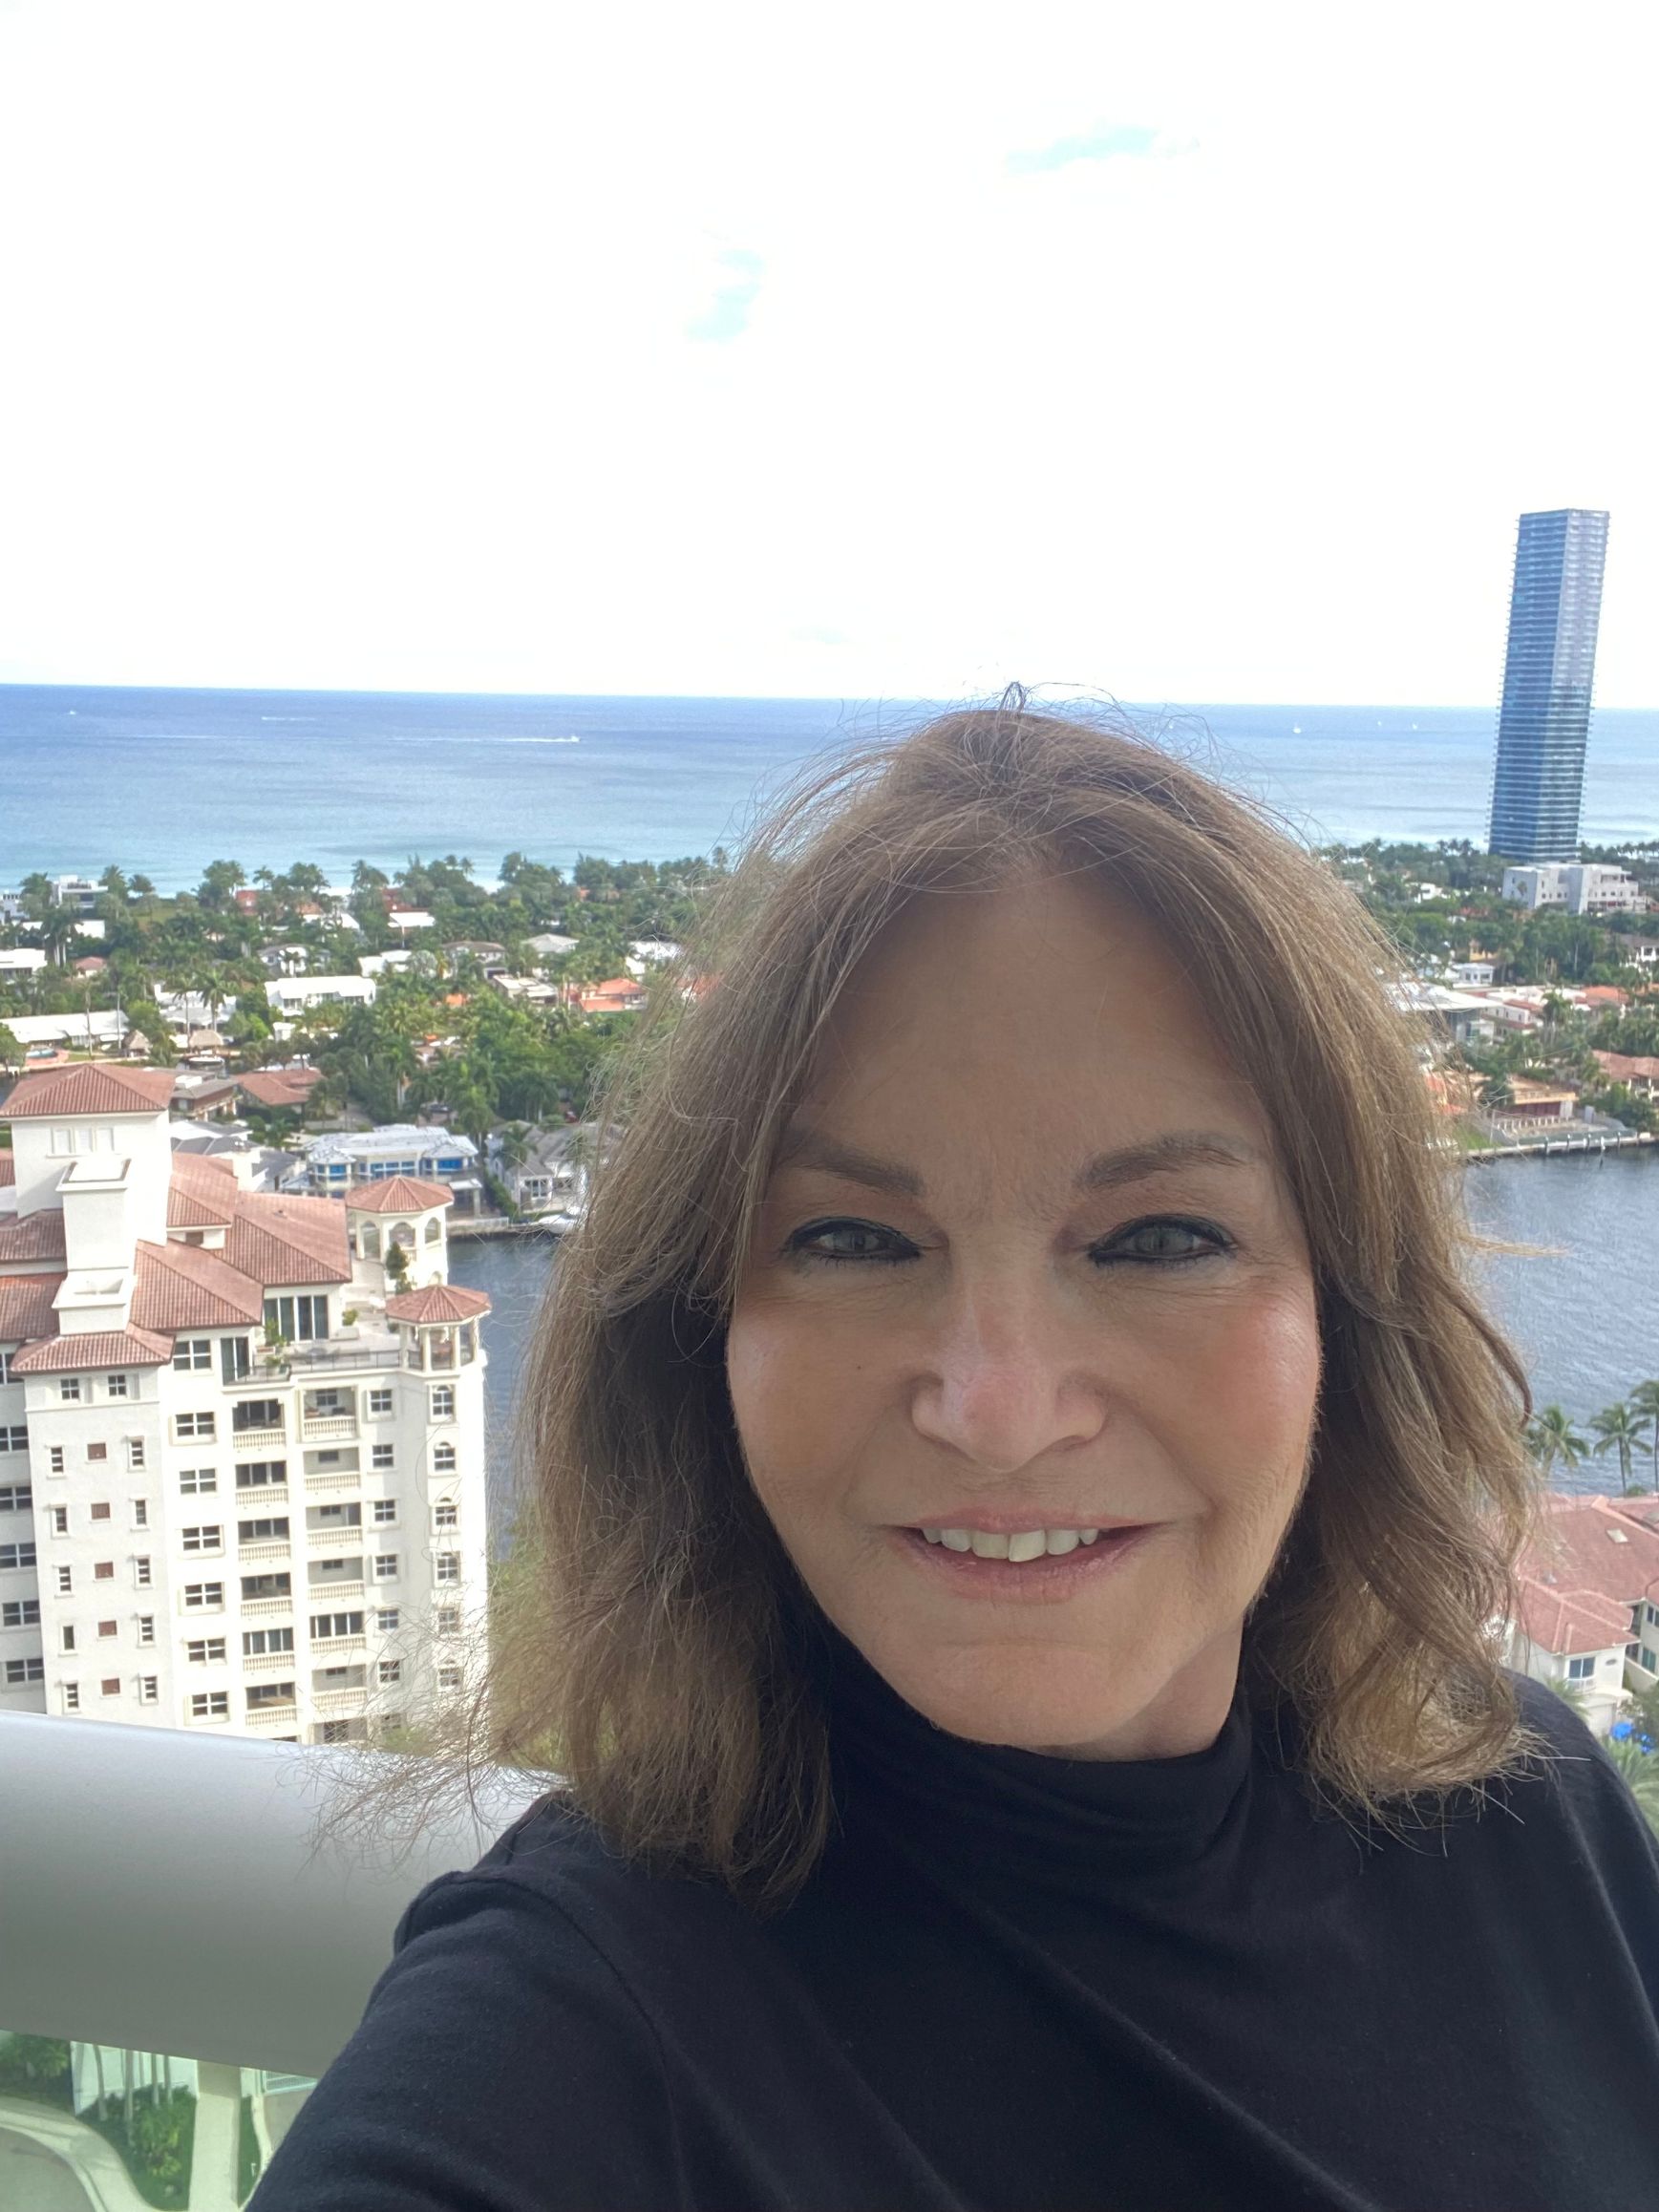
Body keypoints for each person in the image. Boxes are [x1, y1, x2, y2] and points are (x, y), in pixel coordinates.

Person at [252, 698, 1659, 2212]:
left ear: (1345, 1316)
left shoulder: (1527, 1816)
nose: (996, 1408)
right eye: (853, 1239)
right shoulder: (580, 2034)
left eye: (1159, 1238)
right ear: (700, 1333)